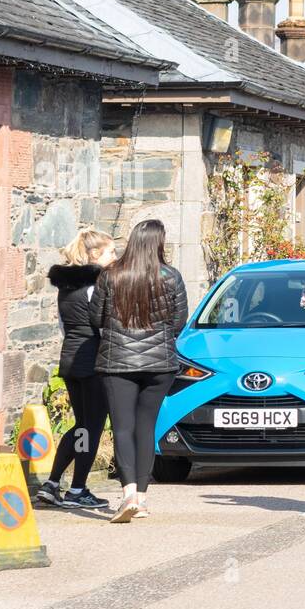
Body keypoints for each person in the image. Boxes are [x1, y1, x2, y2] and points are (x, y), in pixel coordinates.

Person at [91, 220, 188, 523]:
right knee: (146, 427)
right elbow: (178, 321)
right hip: (160, 363)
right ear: (158, 242)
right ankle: (143, 499)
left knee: (122, 427)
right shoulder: (172, 277)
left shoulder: (111, 275)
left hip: (117, 361)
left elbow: (96, 317)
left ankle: (128, 493)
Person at [36, 229, 116, 510]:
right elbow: (104, 325)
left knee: (81, 425)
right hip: (92, 360)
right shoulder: (96, 286)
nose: (114, 257)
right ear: (95, 255)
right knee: (91, 427)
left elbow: (62, 326)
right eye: (110, 252)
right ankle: (78, 489)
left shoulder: (65, 288)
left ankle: (52, 483)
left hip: (70, 359)